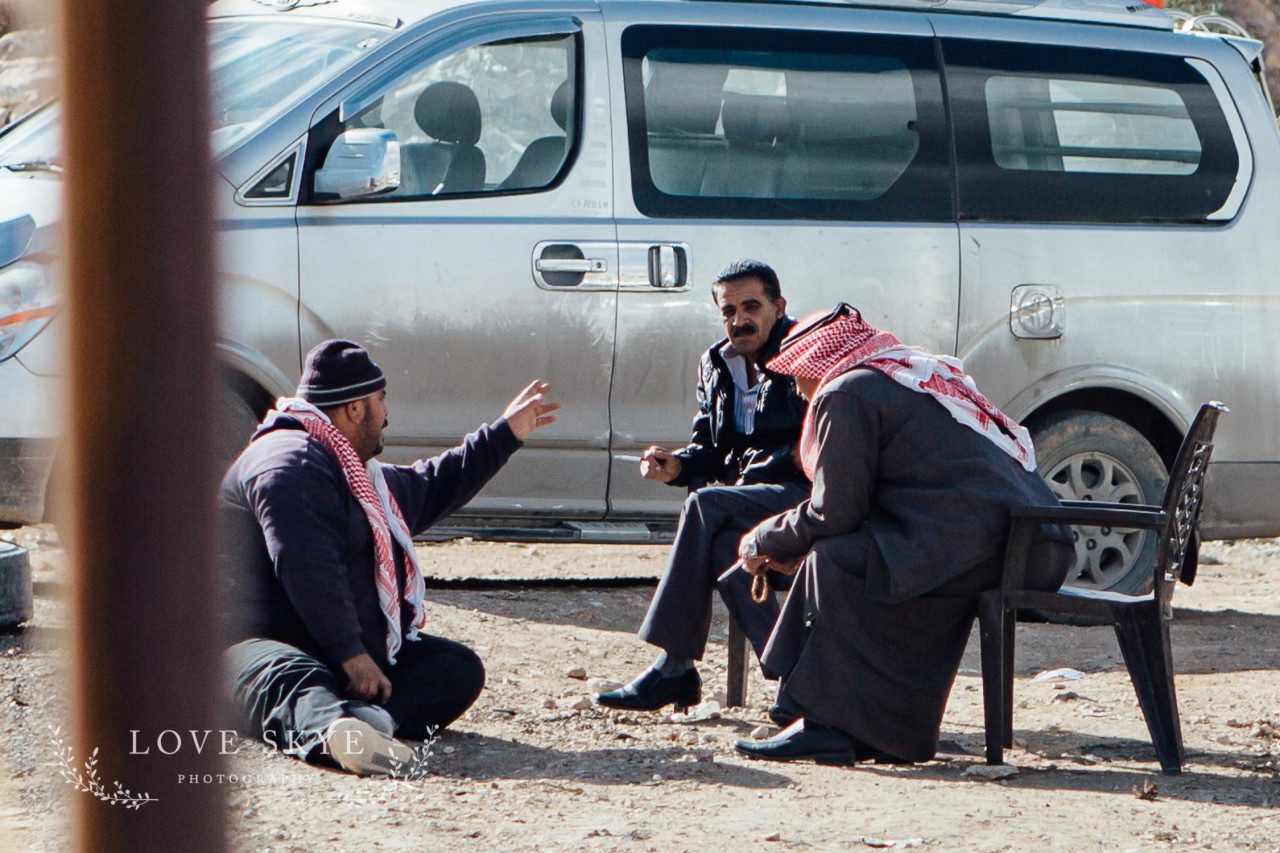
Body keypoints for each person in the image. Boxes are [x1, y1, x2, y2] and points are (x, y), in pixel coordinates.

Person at [731, 304, 1073, 765]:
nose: (797, 388)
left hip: (997, 545)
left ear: (821, 363)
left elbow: (834, 512)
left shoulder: (846, 392)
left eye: (798, 374)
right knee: (860, 560)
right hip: (1032, 543)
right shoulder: (904, 377)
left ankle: (820, 722)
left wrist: (763, 540)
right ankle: (879, 733)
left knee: (835, 560)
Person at [219, 339, 559, 775]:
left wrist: (505, 435)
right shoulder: (292, 461)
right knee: (289, 678)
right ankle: (333, 730)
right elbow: (306, 563)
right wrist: (353, 655)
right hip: (259, 641)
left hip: (329, 648)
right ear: (354, 409)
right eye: (380, 401)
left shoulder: (352, 471)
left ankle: (369, 722)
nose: (386, 415)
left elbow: (430, 485)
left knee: (454, 669)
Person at [597, 260, 808, 715]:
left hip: (801, 497)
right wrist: (674, 466)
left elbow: (825, 437)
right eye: (728, 311)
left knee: (704, 504)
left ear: (779, 306)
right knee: (725, 548)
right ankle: (796, 680)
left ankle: (674, 668)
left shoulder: (804, 355)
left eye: (751, 306)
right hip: (744, 501)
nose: (739, 320)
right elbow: (708, 450)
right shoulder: (717, 363)